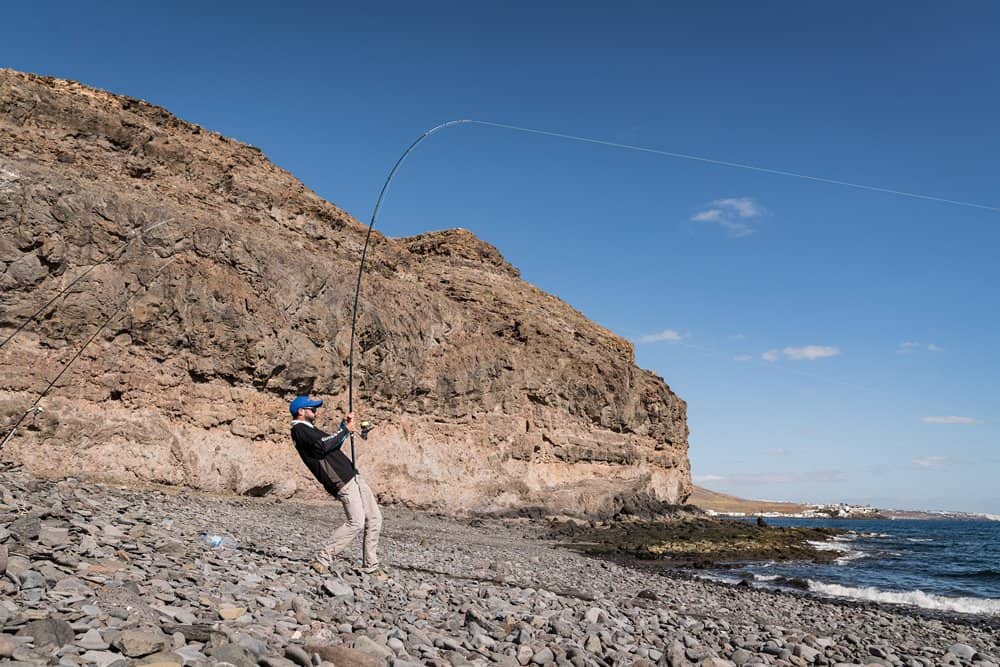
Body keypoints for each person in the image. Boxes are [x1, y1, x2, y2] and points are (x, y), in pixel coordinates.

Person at [288, 395, 386, 579]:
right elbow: (322, 447)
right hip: (341, 480)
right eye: (311, 408)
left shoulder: (310, 429)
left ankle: (371, 566)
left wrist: (343, 428)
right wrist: (345, 431)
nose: (315, 411)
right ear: (301, 411)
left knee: (374, 518)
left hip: (353, 476)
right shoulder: (299, 429)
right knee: (356, 522)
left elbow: (331, 444)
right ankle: (322, 559)